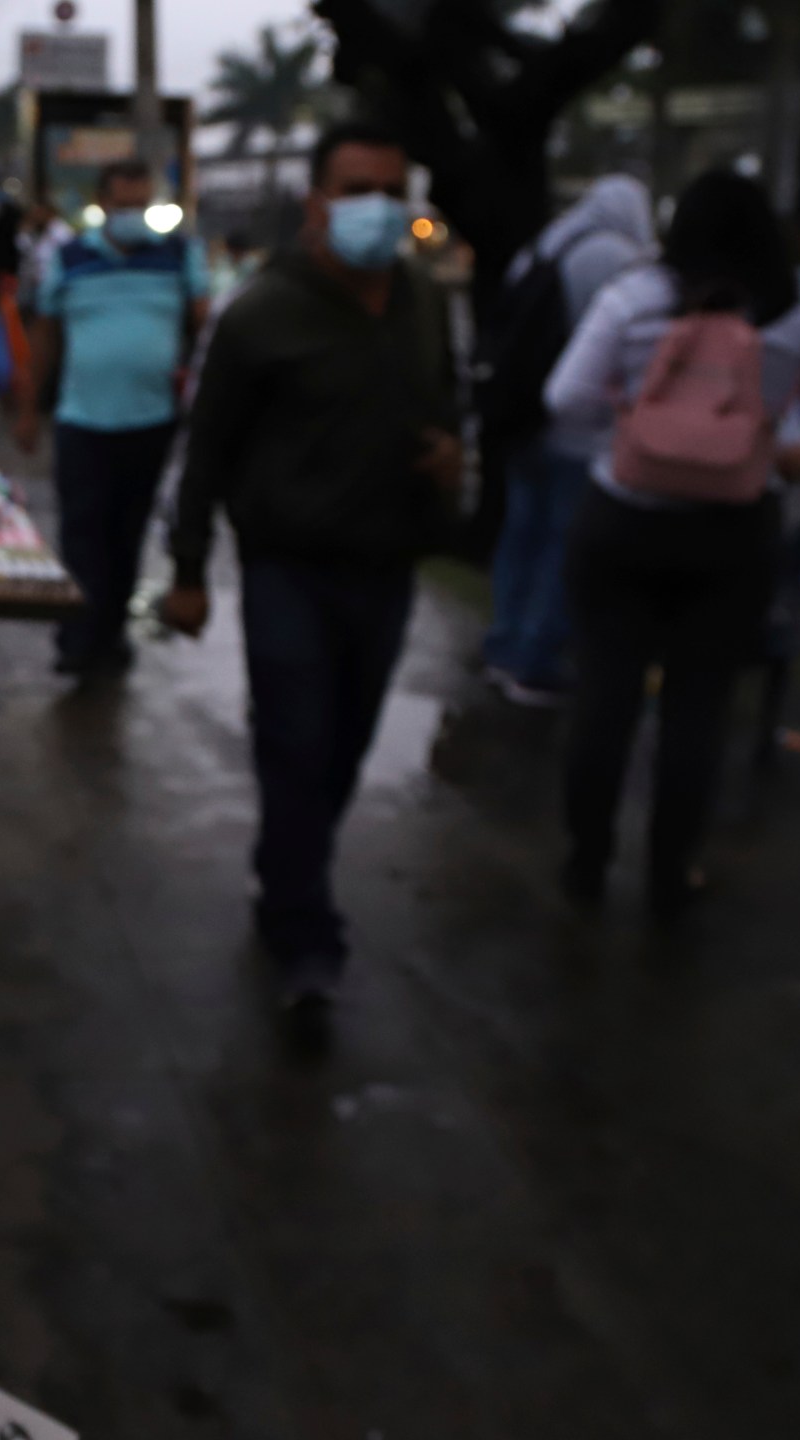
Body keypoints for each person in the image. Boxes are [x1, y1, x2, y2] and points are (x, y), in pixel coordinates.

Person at [544, 170, 800, 914]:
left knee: (605, 697)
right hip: (733, 532)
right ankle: (672, 872)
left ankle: (586, 861)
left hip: (623, 520)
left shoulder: (638, 296)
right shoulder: (798, 301)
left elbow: (565, 396)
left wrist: (630, 427)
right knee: (698, 709)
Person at [160, 121, 463, 1010]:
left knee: (342, 751)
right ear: (319, 201)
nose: (378, 209)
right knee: (293, 740)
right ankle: (306, 938)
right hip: (285, 567)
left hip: (388, 565)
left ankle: (286, 872)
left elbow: (444, 404)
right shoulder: (261, 313)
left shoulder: (421, 300)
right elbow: (206, 451)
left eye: (391, 190)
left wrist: (451, 463)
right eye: (357, 189)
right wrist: (186, 572)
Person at [15, 158, 208, 676]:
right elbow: (46, 336)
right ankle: (77, 639)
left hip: (152, 423)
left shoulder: (179, 255)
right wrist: (29, 408)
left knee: (128, 536)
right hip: (83, 421)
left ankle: (111, 637)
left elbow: (204, 329)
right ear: (101, 205)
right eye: (123, 204)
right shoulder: (70, 257)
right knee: (82, 534)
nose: (132, 214)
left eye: (140, 204)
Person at [480, 175, 655, 706]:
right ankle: (537, 661)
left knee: (520, 533)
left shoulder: (546, 244)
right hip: (579, 430)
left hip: (520, 418)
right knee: (564, 544)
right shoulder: (619, 259)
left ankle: (503, 644)